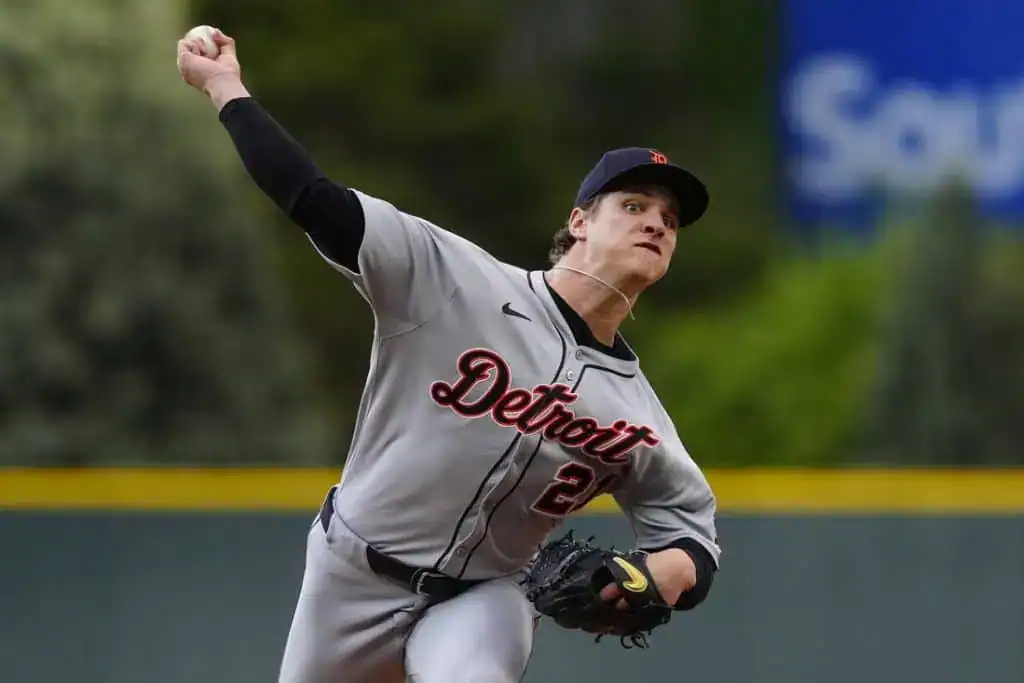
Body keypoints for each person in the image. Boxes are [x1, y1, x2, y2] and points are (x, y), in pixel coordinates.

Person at [177, 27, 722, 683]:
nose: (657, 223)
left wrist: (650, 575)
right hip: (353, 572)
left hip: (485, 594)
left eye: (669, 219)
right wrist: (223, 86)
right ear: (579, 222)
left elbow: (691, 539)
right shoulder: (453, 279)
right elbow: (312, 197)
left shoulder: (637, 414)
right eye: (634, 205)